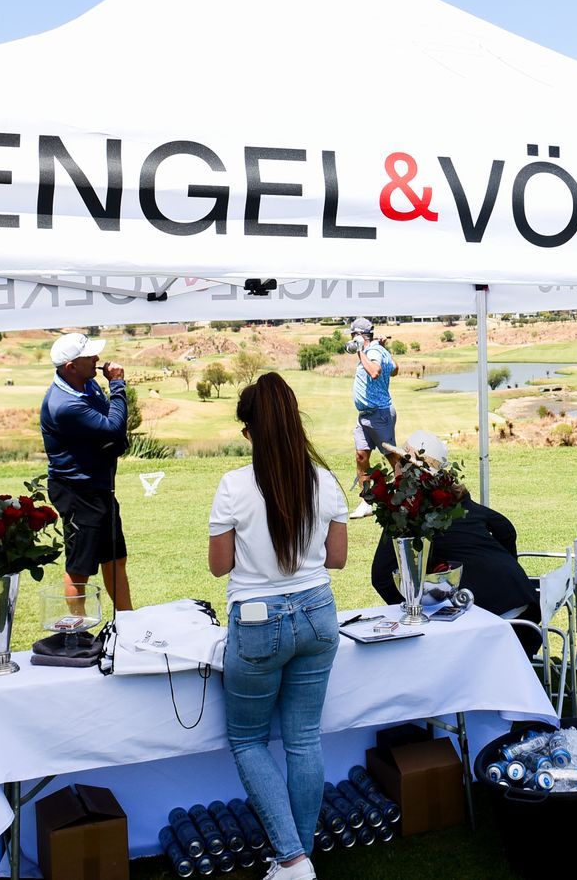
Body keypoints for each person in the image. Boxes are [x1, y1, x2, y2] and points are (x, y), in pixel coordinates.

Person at [208, 374, 348, 880]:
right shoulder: (326, 481)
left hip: (257, 621)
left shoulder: (233, 485)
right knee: (303, 739)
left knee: (248, 740)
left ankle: (292, 858)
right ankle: (298, 856)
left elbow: (219, 567)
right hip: (318, 613)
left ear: (251, 431)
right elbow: (337, 559)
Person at [367, 436, 542, 646]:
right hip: (523, 605)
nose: (395, 467)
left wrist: (415, 610)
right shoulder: (456, 500)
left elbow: (381, 576)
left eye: (398, 462)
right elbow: (505, 529)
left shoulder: (408, 512)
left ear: (407, 471)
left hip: (491, 619)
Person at [41, 332, 132, 612]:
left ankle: (128, 622)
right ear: (71, 367)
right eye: (89, 356)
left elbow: (109, 423)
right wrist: (117, 385)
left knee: (115, 558)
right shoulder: (65, 405)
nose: (97, 358)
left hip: (98, 488)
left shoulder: (87, 384)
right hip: (76, 492)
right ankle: (78, 628)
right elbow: (113, 428)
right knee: (79, 567)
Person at [346, 317, 397, 520]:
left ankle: (407, 497)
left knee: (392, 456)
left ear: (359, 335)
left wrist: (361, 351)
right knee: (361, 456)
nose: (351, 339)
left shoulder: (372, 352)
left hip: (379, 414)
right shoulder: (377, 351)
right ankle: (366, 501)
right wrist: (383, 350)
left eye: (353, 335)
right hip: (365, 416)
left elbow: (375, 372)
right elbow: (394, 369)